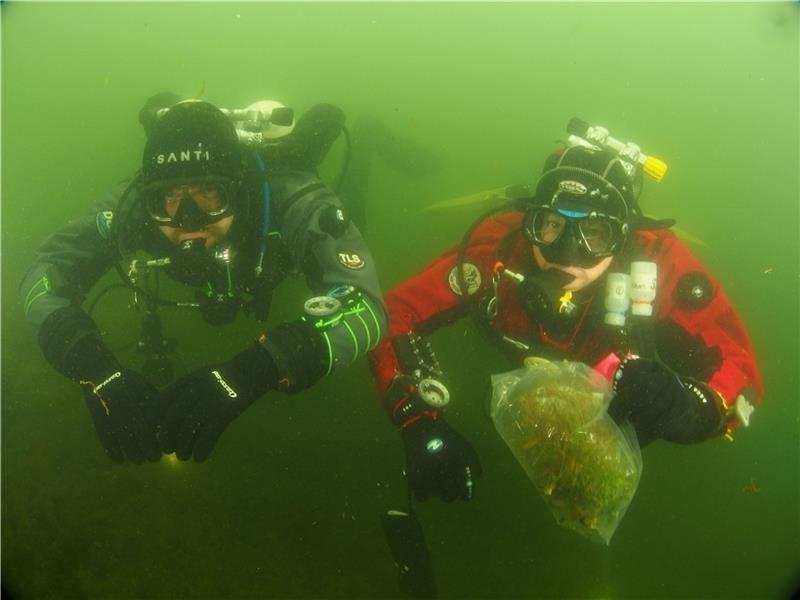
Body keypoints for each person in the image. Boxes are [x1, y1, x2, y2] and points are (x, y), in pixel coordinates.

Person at [368, 119, 763, 503]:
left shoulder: (657, 263)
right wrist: (417, 422)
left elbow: (739, 369)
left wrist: (694, 408)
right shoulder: (501, 249)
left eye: (595, 233)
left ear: (623, 235)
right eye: (552, 225)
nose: (567, 253)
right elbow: (394, 315)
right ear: (530, 221)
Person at [20, 97, 387, 464]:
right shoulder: (132, 207)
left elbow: (367, 306)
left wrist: (260, 368)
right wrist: (92, 366)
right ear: (149, 194)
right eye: (169, 198)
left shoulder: (290, 195)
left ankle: (367, 138)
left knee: (357, 214)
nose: (188, 220)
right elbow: (45, 271)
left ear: (238, 189)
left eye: (209, 194)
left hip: (276, 257)